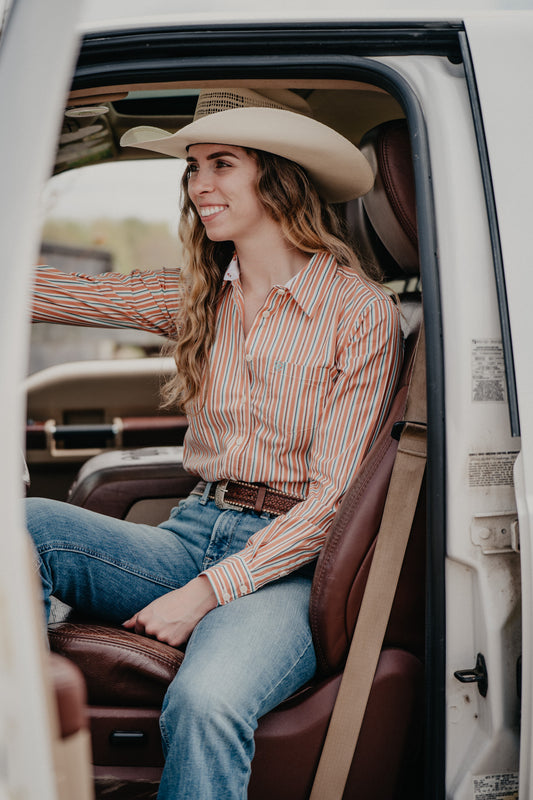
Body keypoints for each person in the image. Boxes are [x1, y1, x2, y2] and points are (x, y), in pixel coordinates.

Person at [27, 88, 403, 799]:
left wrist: (204, 594)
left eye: (222, 163)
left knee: (206, 703)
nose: (199, 184)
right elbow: (59, 293)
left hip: (290, 566)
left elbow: (330, 505)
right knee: (25, 528)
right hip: (191, 531)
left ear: (278, 175)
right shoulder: (198, 295)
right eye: (193, 166)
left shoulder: (360, 312)